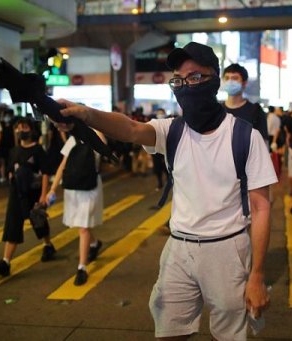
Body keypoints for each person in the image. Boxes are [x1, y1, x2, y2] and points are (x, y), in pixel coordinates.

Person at [53, 41, 276, 340]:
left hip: (227, 249)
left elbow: (262, 208)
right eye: (178, 80)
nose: (185, 86)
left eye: (195, 77)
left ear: (215, 79)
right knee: (169, 331)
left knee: (228, 335)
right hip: (178, 248)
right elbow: (130, 129)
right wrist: (85, 114)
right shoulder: (171, 130)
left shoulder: (246, 137)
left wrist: (257, 275)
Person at [0, 118, 56, 277]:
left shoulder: (38, 150)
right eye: (18, 127)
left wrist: (43, 195)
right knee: (12, 225)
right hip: (16, 194)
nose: (21, 130)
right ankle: (5, 262)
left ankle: (48, 245)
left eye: (24, 127)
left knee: (38, 221)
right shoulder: (14, 151)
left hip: (34, 193)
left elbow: (45, 173)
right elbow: (11, 171)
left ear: (31, 130)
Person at [48, 130, 105, 286]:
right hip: (73, 187)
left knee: (83, 228)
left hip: (90, 187)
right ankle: (94, 244)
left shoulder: (97, 137)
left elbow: (104, 148)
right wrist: (52, 189)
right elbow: (63, 165)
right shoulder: (73, 139)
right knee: (80, 225)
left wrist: (94, 125)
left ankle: (82, 267)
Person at [222, 63, 269, 142]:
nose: (230, 81)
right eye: (227, 78)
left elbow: (263, 142)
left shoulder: (255, 111)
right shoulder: (217, 110)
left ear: (244, 83)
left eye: (235, 78)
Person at [151, 109, 168, 191]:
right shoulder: (153, 124)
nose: (160, 115)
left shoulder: (169, 123)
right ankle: (160, 183)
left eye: (161, 113)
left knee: (167, 166)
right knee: (157, 167)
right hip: (156, 149)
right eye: (158, 113)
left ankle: (169, 181)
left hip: (167, 149)